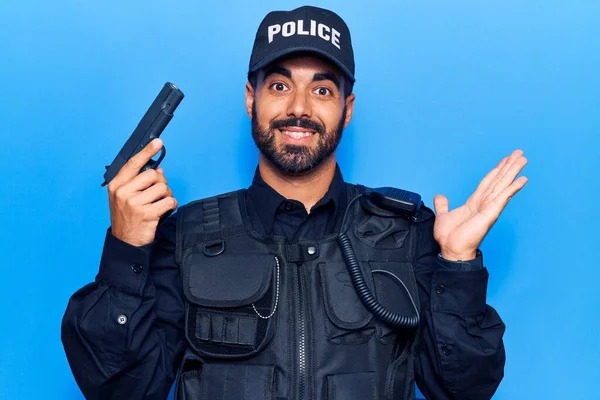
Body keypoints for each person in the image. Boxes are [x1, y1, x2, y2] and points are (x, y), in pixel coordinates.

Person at [61, 5, 528, 400]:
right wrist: (125, 250)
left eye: (322, 89)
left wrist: (458, 264)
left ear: (347, 108)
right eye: (280, 86)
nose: (299, 107)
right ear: (251, 99)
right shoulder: (183, 235)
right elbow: (122, 388)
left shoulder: (408, 233)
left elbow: (464, 388)